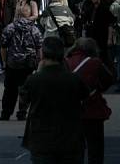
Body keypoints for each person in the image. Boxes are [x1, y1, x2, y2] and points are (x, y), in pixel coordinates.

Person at [20, 36, 88, 164]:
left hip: (42, 139)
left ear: (43, 53)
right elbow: (85, 95)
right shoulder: (73, 79)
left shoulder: (34, 79)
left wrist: (38, 72)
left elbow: (23, 100)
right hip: (71, 137)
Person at [65, 38, 114, 164]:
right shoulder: (95, 62)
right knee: (95, 149)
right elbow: (108, 80)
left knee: (75, 149)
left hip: (71, 111)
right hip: (93, 110)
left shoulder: (65, 62)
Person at [0, 4, 42, 121]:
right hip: (28, 63)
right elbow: (39, 48)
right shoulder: (34, 29)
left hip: (12, 62)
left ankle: (6, 113)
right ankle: (22, 112)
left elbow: (3, 47)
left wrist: (4, 61)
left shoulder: (10, 28)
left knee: (9, 89)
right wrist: (39, 62)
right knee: (25, 88)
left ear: (18, 14)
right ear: (29, 14)